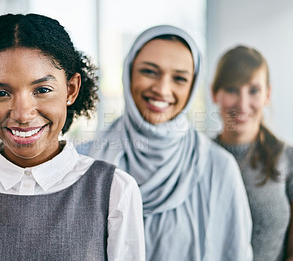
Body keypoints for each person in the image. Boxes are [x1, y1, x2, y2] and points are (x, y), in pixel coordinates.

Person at [0, 13, 145, 261]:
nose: (22, 114)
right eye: (1, 93)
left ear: (71, 90)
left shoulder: (115, 190)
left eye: (42, 90)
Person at [78, 25, 252, 260]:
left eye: (179, 78)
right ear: (128, 73)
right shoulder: (85, 162)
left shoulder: (218, 167)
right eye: (149, 71)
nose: (162, 89)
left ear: (192, 87)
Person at [211, 45, 293, 261]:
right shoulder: (199, 159)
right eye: (232, 89)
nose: (242, 105)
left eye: (253, 90)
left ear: (267, 94)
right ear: (215, 93)